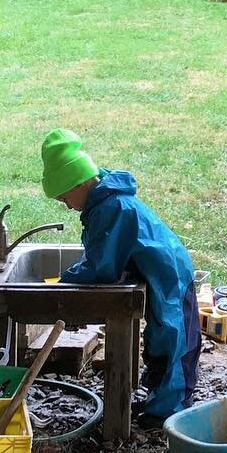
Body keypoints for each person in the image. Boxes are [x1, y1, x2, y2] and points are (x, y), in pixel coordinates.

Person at [40, 128, 201, 424]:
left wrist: (66, 280)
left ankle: (171, 412)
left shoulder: (112, 208)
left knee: (173, 341)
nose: (65, 205)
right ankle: (160, 403)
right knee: (159, 339)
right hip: (160, 272)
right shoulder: (106, 200)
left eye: (64, 197)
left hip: (170, 277)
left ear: (77, 184)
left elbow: (102, 267)